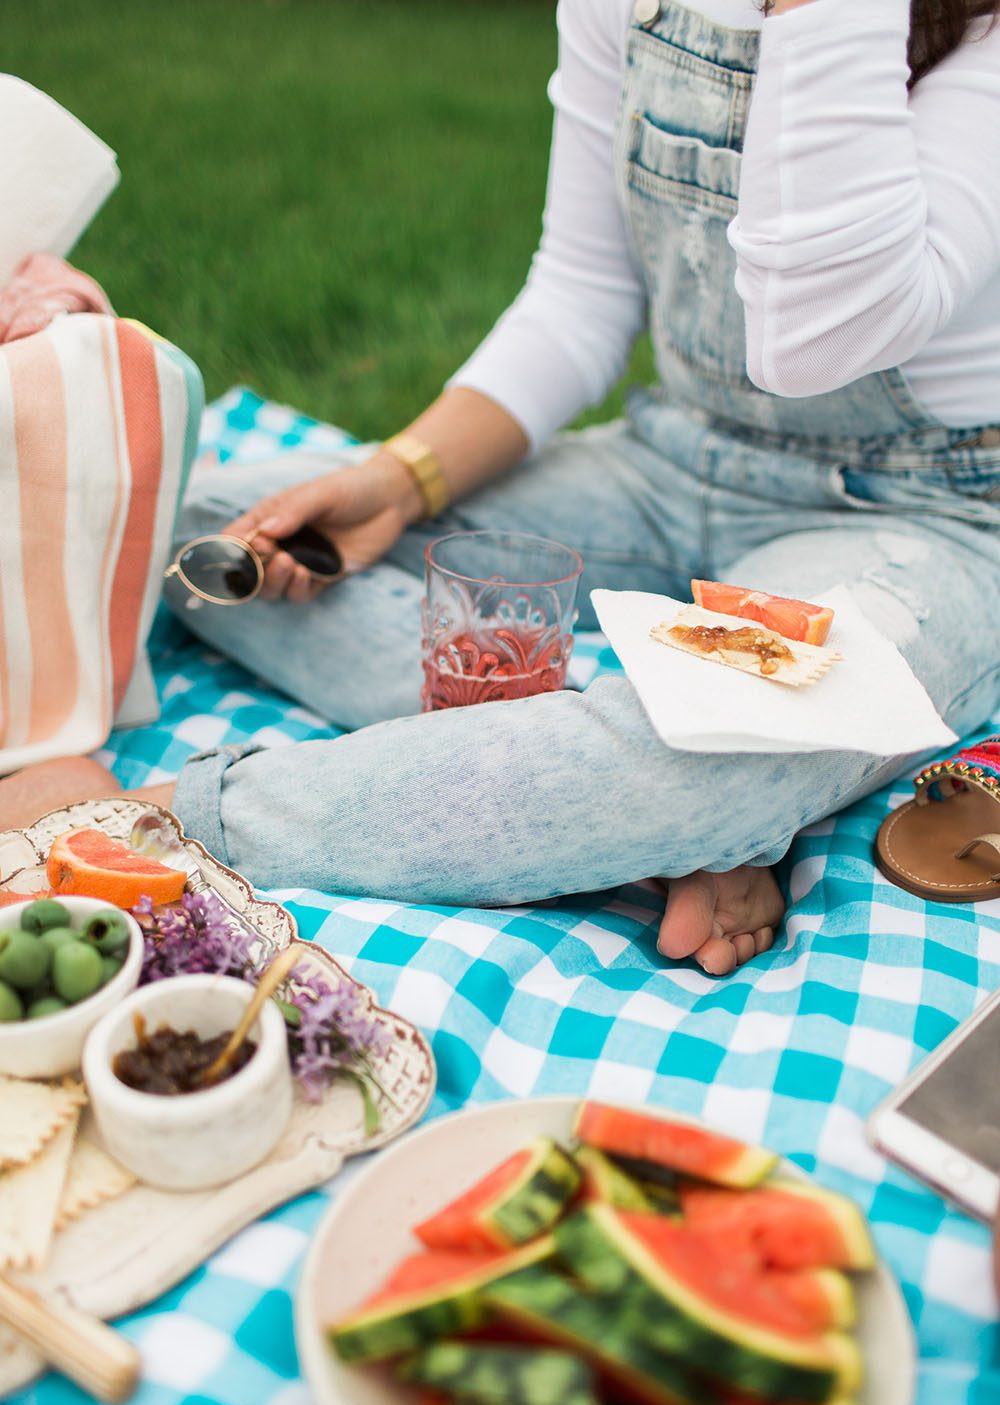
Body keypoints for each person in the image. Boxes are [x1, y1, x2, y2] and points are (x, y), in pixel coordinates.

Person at [5, 0, 1000, 977]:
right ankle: (597, 798)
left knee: (710, 752)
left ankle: (146, 827)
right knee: (207, 531)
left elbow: (812, 340)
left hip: (921, 516)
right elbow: (581, 293)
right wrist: (395, 479)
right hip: (671, 459)